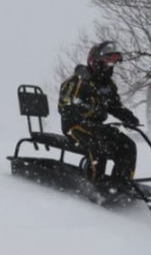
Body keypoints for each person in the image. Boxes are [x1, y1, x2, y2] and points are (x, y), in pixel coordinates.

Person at [58, 40, 140, 187]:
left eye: (112, 64)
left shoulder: (107, 84)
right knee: (98, 145)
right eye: (106, 63)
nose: (110, 67)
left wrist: (128, 116)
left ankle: (121, 182)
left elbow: (114, 105)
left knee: (127, 145)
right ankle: (95, 184)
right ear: (95, 62)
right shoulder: (78, 81)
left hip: (97, 127)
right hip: (74, 126)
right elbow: (64, 105)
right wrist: (83, 115)